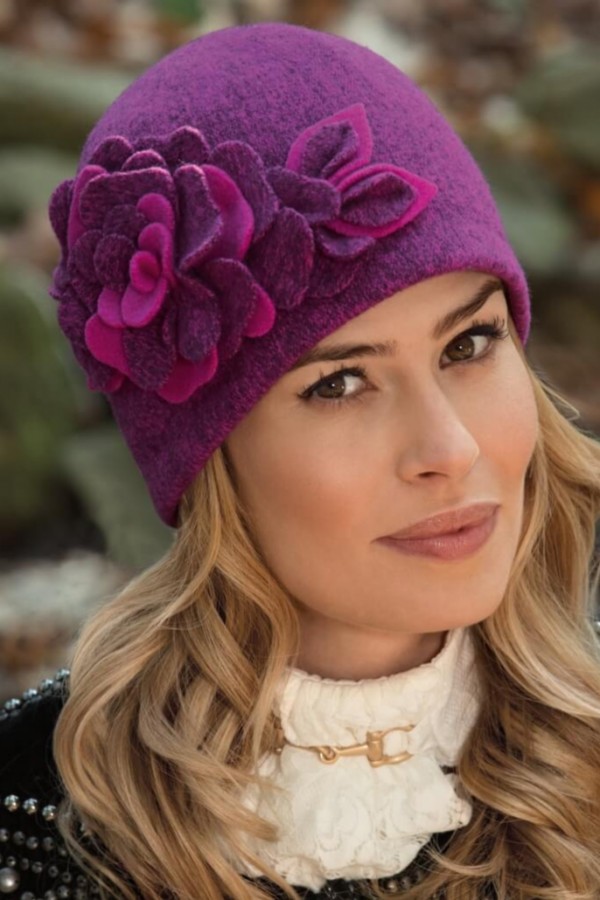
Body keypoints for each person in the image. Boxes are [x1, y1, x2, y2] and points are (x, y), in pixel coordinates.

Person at [1, 20, 599, 900]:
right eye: (339, 384)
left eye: (469, 344)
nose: (450, 449)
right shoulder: (40, 825)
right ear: (207, 456)